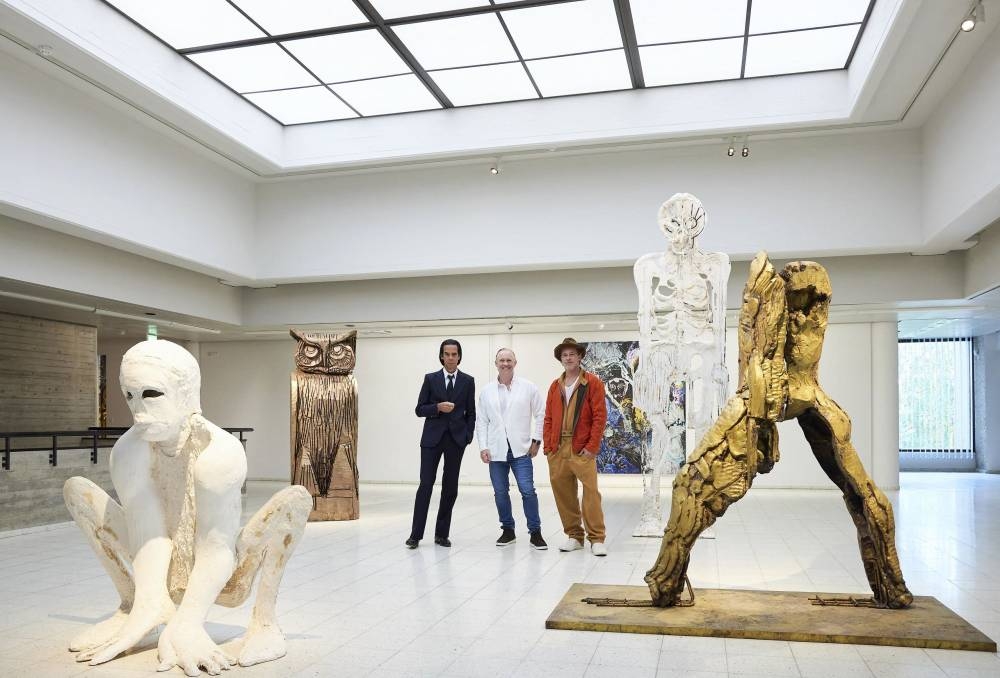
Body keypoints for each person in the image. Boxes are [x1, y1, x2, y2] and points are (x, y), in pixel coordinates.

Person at [407, 339, 476, 548]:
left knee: (450, 487)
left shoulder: (468, 381)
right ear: (441, 356)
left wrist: (468, 436)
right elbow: (419, 409)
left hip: (456, 440)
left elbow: (471, 413)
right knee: (425, 485)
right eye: (447, 354)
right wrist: (437, 407)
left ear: (459, 357)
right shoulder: (430, 379)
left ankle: (441, 534)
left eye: (454, 354)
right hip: (431, 439)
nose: (451, 358)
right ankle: (415, 535)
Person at [543, 337, 609, 556]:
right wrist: (548, 446)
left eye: (572, 354)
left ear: (580, 357)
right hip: (557, 448)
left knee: (591, 492)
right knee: (563, 493)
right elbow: (548, 418)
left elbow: (600, 417)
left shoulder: (592, 383)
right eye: (564, 355)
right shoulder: (555, 385)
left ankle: (597, 538)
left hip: (582, 447)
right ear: (560, 359)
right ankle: (574, 536)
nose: (568, 358)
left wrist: (592, 446)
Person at [476, 348, 547, 550]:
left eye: (509, 360)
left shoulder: (528, 387)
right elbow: (481, 421)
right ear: (496, 363)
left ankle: (535, 532)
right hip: (496, 451)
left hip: (521, 450)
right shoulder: (487, 391)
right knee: (500, 492)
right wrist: (483, 446)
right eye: (501, 360)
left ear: (515, 363)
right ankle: (508, 530)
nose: (505, 363)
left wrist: (537, 441)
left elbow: (541, 414)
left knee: (528, 491)